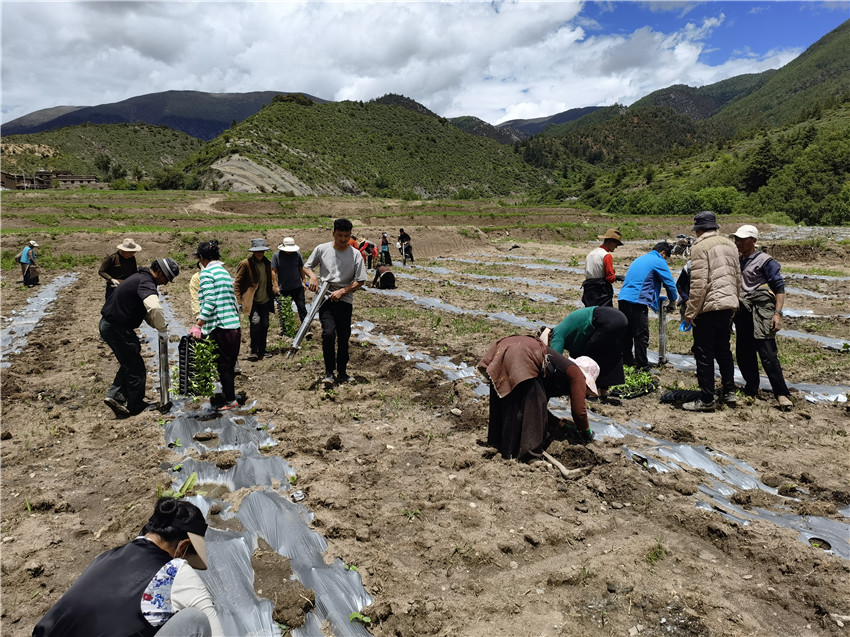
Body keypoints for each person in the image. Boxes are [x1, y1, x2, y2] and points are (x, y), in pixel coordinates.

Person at [34, 497, 223, 637]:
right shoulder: (174, 570)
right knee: (194, 620)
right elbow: (216, 633)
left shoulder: (104, 558)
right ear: (182, 547)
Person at [478, 334, 601, 459]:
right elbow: (579, 412)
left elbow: (542, 410)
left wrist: (560, 424)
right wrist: (586, 430)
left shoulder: (555, 372)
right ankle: (529, 455)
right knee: (532, 413)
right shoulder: (577, 374)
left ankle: (497, 444)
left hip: (505, 345)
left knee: (506, 399)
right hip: (522, 351)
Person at [100, 258, 179, 418]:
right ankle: (135, 406)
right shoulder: (146, 282)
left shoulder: (139, 277)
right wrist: (162, 329)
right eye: (166, 278)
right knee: (136, 368)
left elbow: (146, 313)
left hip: (112, 325)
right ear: (159, 272)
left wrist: (157, 326)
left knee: (130, 361)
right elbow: (154, 307)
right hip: (116, 327)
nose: (165, 283)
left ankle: (116, 396)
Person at [682, 211, 741, 412]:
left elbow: (699, 284)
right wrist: (734, 304)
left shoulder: (700, 247)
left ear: (698, 230)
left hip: (708, 307)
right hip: (727, 305)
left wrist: (690, 313)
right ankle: (729, 390)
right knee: (723, 349)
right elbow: (737, 277)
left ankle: (707, 399)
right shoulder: (730, 245)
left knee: (704, 353)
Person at [731, 225, 793, 410]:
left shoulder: (766, 261)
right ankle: (751, 387)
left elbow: (779, 288)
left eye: (743, 239)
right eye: (737, 239)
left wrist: (777, 313)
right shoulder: (738, 261)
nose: (738, 243)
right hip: (743, 311)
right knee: (744, 352)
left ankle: (781, 393)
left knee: (767, 353)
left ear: (754, 241)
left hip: (762, 311)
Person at [305, 218, 368, 386]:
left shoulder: (355, 255)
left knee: (343, 336)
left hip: (345, 300)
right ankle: (329, 372)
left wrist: (342, 291)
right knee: (328, 333)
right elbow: (306, 266)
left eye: (346, 236)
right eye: (340, 235)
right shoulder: (322, 249)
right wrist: (312, 276)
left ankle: (342, 372)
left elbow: (360, 280)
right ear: (333, 233)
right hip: (325, 299)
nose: (343, 239)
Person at [191, 241, 241, 410]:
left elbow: (210, 302)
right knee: (229, 365)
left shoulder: (206, 273)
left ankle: (230, 401)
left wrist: (198, 325)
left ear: (201, 257)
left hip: (221, 327)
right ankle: (228, 396)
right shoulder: (224, 272)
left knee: (223, 366)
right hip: (233, 325)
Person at [618, 241, 678, 371]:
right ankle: (643, 367)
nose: (666, 261)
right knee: (641, 335)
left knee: (627, 334)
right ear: (663, 253)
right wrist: (673, 301)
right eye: (666, 258)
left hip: (623, 298)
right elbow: (670, 283)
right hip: (637, 301)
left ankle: (627, 363)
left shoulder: (640, 259)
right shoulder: (658, 260)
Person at [547, 305, 628, 399]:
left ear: (549, 338)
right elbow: (576, 357)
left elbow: (554, 359)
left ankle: (588, 389)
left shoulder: (557, 334)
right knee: (609, 352)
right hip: (620, 318)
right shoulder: (569, 336)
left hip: (607, 320)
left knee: (590, 355)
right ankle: (603, 390)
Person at [234, 238, 274, 361]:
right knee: (255, 322)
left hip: (265, 299)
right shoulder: (245, 264)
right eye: (257, 251)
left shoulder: (267, 263)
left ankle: (263, 350)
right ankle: (254, 350)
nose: (260, 254)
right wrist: (239, 301)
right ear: (253, 252)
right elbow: (237, 284)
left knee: (265, 324)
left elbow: (270, 281)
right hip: (252, 301)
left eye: (262, 251)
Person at [271, 237, 310, 331]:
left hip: (297, 287)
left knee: (302, 308)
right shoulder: (276, 256)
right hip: (283, 288)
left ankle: (306, 330)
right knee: (284, 310)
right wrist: (276, 286)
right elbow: (273, 271)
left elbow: (301, 268)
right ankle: (286, 331)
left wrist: (304, 281)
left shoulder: (297, 255)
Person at [581, 228, 623, 307]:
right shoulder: (606, 256)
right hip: (601, 292)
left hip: (588, 290)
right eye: (616, 244)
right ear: (610, 242)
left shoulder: (591, 253)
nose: (616, 247)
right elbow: (610, 278)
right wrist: (615, 277)